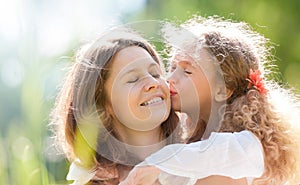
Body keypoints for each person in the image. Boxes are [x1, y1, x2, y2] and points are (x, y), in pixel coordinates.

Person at [121, 16, 300, 185]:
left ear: (222, 91)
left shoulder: (247, 146)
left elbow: (219, 152)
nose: (170, 79)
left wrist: (156, 162)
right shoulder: (191, 154)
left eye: (187, 71)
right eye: (173, 67)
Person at [49, 28, 181, 185]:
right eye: (133, 79)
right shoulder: (89, 180)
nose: (153, 83)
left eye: (155, 74)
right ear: (101, 108)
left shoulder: (204, 155)